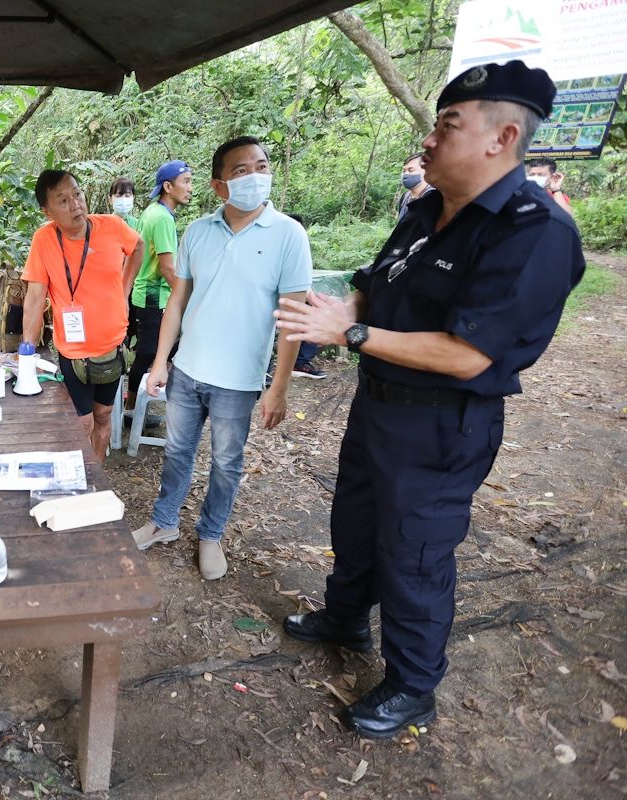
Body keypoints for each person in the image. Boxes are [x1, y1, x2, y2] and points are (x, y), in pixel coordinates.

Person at [276, 60, 584, 739]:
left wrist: (350, 331)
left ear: (501, 138)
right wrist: (341, 310)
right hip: (379, 405)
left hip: (444, 425)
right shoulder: (424, 211)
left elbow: (470, 352)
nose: (429, 140)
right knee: (355, 520)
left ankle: (413, 685)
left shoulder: (534, 233)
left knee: (413, 553)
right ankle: (345, 616)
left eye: (447, 126)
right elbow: (372, 283)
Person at [131, 137, 312, 580]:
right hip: (188, 369)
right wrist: (160, 362)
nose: (255, 176)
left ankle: (210, 534)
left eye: (261, 166)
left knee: (226, 462)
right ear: (219, 185)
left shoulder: (289, 234)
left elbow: (293, 318)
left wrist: (279, 387)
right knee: (176, 452)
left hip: (240, 379)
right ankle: (164, 522)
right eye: (241, 170)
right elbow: (177, 301)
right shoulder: (197, 232)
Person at [21, 169, 143, 462]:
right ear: (47, 211)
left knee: (103, 416)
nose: (75, 204)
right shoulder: (44, 240)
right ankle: (79, 471)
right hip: (74, 352)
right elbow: (35, 298)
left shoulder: (112, 226)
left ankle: (96, 474)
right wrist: (26, 353)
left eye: (77, 193)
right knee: (82, 423)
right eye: (63, 200)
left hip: (113, 346)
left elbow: (138, 246)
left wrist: (125, 289)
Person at [126, 160, 192, 407]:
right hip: (153, 296)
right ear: (168, 186)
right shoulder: (162, 218)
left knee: (148, 353)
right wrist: (186, 298)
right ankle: (132, 409)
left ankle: (134, 406)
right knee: (147, 355)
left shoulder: (152, 211)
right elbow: (167, 268)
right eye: (185, 182)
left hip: (145, 294)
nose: (190, 188)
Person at [397, 152, 433, 221]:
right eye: (404, 171)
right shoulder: (405, 197)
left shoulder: (434, 198)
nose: (406, 174)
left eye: (411, 170)